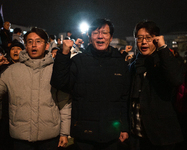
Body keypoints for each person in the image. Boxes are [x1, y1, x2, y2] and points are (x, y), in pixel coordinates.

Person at [51, 18, 130, 150]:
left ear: (111, 38)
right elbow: (60, 83)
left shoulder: (120, 63)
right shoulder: (78, 61)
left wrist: (124, 127)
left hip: (111, 133)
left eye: (104, 33)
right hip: (84, 134)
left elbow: (124, 98)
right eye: (95, 32)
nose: (100, 36)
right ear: (89, 37)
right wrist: (63, 54)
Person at [0, 27, 71, 150]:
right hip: (20, 137)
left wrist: (64, 133)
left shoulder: (56, 71)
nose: (34, 45)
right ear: (25, 45)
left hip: (49, 137)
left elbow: (64, 103)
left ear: (47, 45)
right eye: (30, 41)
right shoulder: (11, 71)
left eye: (38, 41)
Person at [129, 20, 184, 150]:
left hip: (161, 136)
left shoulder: (165, 62)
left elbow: (176, 79)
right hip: (137, 134)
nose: (143, 42)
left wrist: (163, 48)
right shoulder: (134, 65)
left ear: (156, 39)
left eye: (148, 38)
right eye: (140, 38)